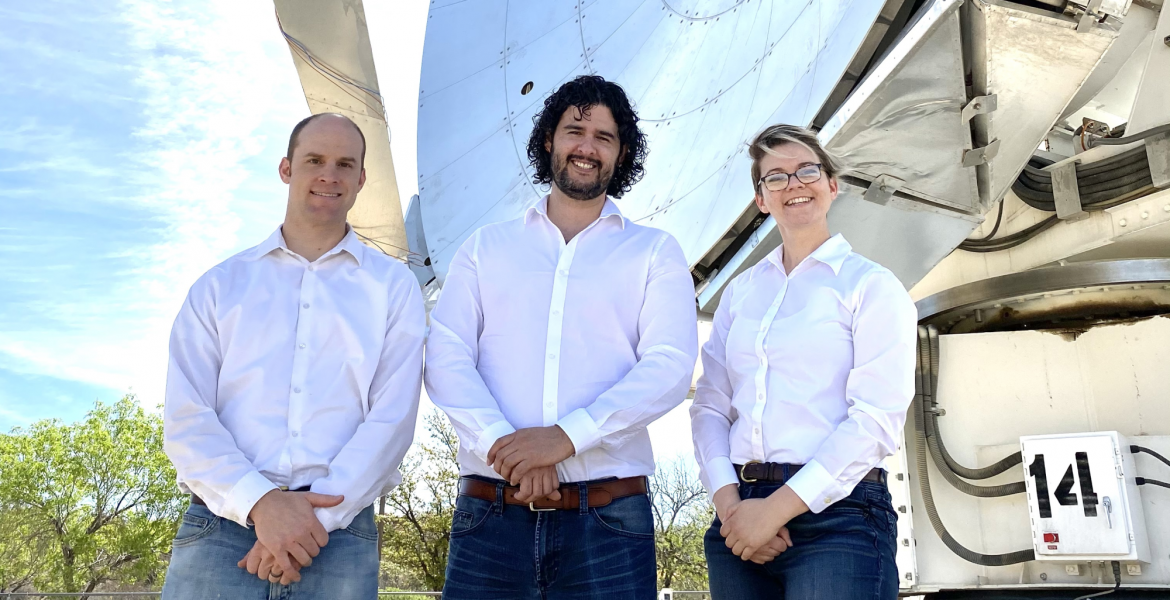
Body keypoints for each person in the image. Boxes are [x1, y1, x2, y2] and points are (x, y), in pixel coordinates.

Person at [424, 75, 698, 600]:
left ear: (621, 154)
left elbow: (668, 366)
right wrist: (504, 450)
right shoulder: (485, 248)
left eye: (604, 136)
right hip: (490, 516)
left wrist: (566, 438)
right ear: (549, 138)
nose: (587, 147)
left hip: (609, 519)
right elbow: (446, 356)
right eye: (575, 130)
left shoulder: (655, 253)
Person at [160, 113, 425, 599]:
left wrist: (308, 521)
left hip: (337, 533)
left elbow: (392, 420)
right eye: (315, 160)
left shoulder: (393, 289)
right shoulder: (220, 286)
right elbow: (186, 417)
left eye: (345, 164)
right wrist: (260, 503)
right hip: (221, 526)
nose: (330, 175)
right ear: (286, 168)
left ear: (362, 179)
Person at [690, 124, 917, 599]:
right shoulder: (740, 294)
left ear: (832, 186)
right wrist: (733, 508)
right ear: (761, 199)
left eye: (807, 171)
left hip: (839, 519)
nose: (794, 184)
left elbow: (875, 420)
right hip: (738, 516)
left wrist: (774, 512)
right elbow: (710, 406)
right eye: (776, 177)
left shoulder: (871, 287)